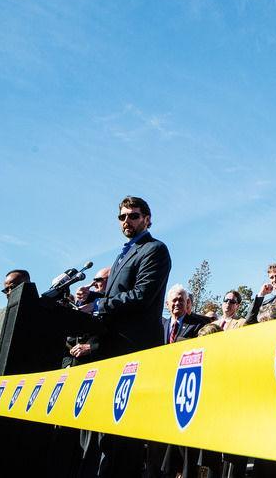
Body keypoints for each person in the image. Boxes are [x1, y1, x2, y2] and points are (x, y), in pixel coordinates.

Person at [82, 196, 172, 478]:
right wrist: (93, 296)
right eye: (122, 217)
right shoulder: (123, 253)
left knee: (126, 435)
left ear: (147, 219)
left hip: (134, 350)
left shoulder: (154, 249)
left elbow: (142, 295)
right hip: (112, 348)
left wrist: (98, 305)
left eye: (133, 216)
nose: (126, 221)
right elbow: (119, 293)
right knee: (109, 435)